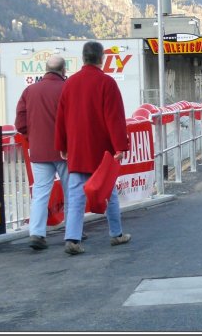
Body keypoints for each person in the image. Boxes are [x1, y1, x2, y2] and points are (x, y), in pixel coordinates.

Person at [54, 41, 131, 255]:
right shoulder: (107, 83)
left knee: (76, 194)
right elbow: (114, 118)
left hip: (77, 148)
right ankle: (116, 234)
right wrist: (119, 146)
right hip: (101, 149)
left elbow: (61, 117)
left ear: (83, 58)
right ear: (101, 58)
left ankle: (72, 238)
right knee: (109, 190)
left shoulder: (69, 84)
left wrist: (61, 144)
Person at [15, 55, 69, 250]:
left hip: (38, 150)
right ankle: (72, 232)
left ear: (46, 69)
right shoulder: (67, 89)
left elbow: (20, 122)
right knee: (71, 190)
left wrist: (32, 136)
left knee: (39, 192)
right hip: (65, 151)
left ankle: (36, 233)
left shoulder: (30, 90)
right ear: (63, 71)